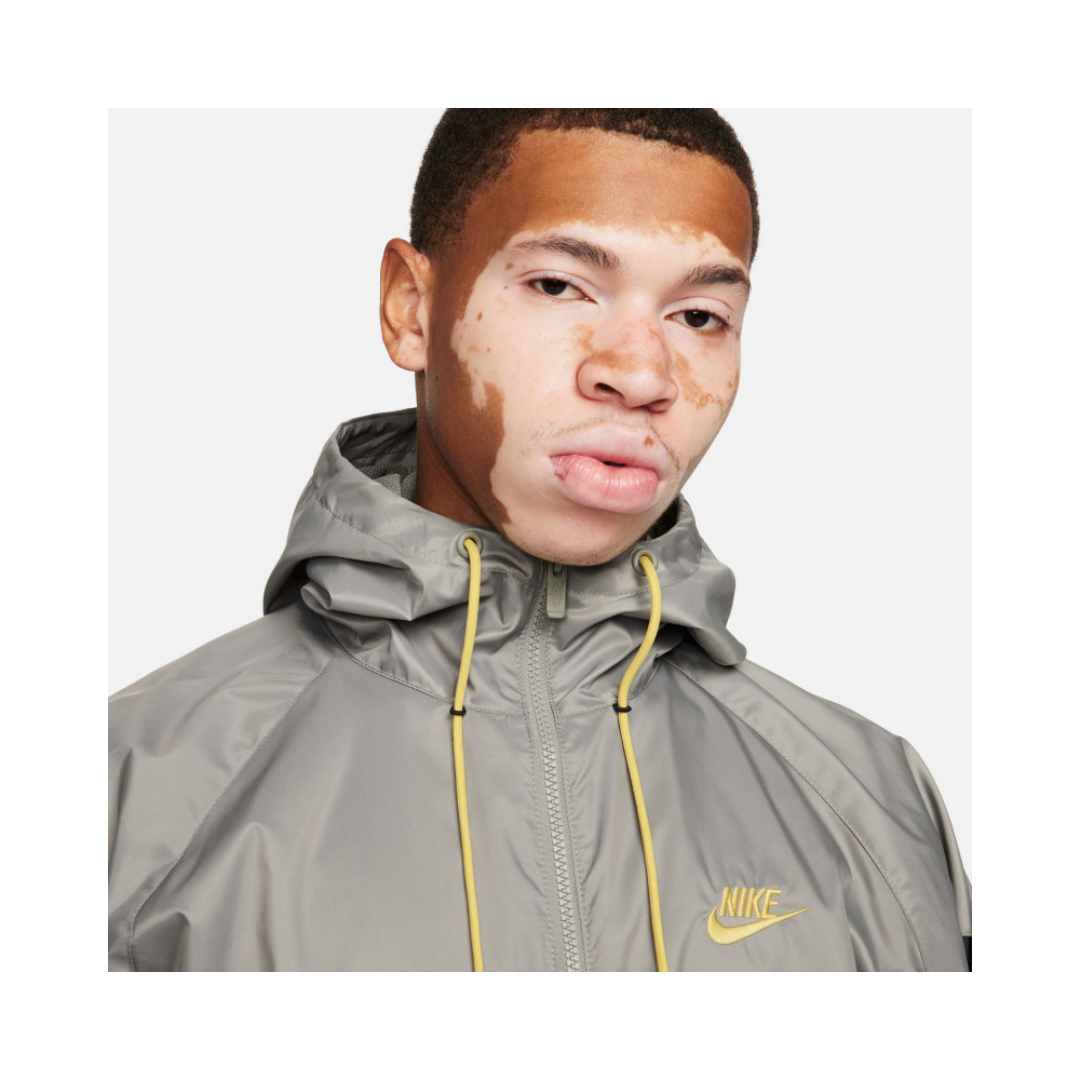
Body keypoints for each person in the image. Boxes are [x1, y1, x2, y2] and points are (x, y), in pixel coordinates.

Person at [109, 108, 971, 971]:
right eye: (559, 286)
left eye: (700, 316)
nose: (641, 374)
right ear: (412, 309)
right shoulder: (129, 792)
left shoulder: (877, 804)